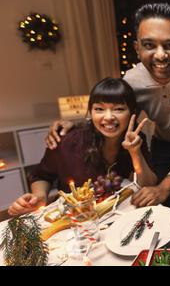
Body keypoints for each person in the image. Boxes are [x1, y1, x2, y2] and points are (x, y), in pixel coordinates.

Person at [45, 3, 170, 207]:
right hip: (162, 145)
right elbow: (114, 112)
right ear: (137, 48)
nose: (160, 55)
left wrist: (165, 188)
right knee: (156, 205)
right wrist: (76, 125)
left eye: (169, 45)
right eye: (149, 45)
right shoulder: (132, 79)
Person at [8, 78, 156, 216]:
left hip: (112, 214)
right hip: (74, 216)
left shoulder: (135, 138)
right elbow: (41, 175)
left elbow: (148, 184)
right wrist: (39, 197)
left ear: (132, 113)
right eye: (99, 109)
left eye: (118, 109)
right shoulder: (68, 141)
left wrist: (135, 152)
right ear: (90, 112)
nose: (109, 116)